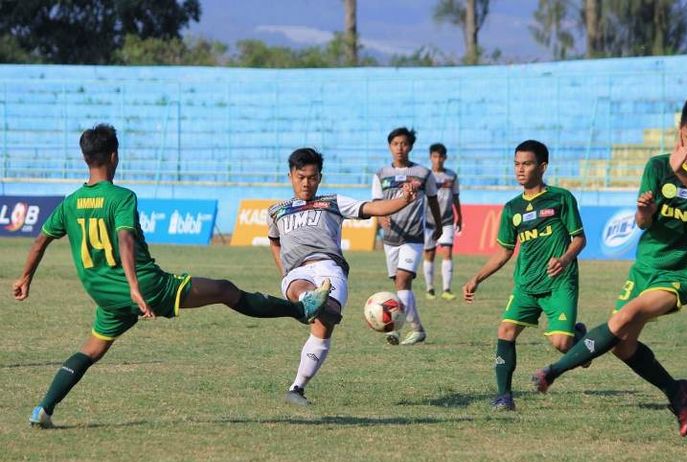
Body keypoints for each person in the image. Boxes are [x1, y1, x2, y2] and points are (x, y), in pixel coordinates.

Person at [14, 124, 331, 428]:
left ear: (85, 158)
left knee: (92, 349)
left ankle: (44, 407)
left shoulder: (71, 202)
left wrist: (26, 277)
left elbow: (41, 239)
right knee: (224, 290)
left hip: (104, 295)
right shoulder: (121, 197)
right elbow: (125, 240)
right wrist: (136, 289)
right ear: (114, 156)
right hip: (146, 287)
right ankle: (300, 310)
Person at [531, 95, 687, 437]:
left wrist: (681, 171)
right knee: (623, 346)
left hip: (684, 271)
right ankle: (676, 391)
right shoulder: (656, 167)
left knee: (623, 318)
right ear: (681, 129)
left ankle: (552, 372)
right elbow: (641, 223)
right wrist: (645, 210)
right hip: (646, 266)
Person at [268, 147, 418, 405]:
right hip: (299, 271)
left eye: (312, 177)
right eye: (301, 177)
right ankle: (309, 299)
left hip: (330, 268)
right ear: (291, 176)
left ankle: (296, 388)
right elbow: (274, 241)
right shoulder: (276, 211)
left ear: (320, 177)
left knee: (327, 321)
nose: (306, 183)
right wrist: (285, 271)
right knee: (300, 288)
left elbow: (373, 208)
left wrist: (404, 200)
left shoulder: (333, 202)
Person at [463, 140, 587, 411]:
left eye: (527, 164)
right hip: (526, 285)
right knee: (506, 330)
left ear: (542, 167)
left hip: (558, 283)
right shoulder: (512, 208)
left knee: (561, 343)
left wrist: (564, 259)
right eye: (517, 164)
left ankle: (579, 341)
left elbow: (579, 239)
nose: (520, 170)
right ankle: (504, 396)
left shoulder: (561, 198)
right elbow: (504, 251)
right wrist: (477, 277)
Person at [372, 127, 443, 346]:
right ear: (389, 146)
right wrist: (381, 219)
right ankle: (418, 329)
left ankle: (394, 329)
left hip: (414, 235)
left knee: (403, 279)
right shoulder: (381, 174)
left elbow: (433, 200)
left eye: (403, 144)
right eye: (395, 144)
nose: (399, 148)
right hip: (391, 238)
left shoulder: (423, 173)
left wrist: (438, 225)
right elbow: (376, 203)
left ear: (410, 146)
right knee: (401, 285)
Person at [423, 143, 463, 301]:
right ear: (430, 157)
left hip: (447, 220)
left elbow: (456, 197)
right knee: (430, 254)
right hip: (428, 220)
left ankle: (446, 288)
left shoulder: (452, 176)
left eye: (441, 157)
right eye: (435, 156)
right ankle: (430, 288)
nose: (438, 160)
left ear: (445, 158)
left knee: (447, 252)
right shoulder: (426, 176)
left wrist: (460, 216)